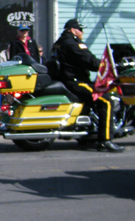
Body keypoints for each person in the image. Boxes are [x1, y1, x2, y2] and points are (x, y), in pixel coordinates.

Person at [51, 19, 122, 153]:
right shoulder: (73, 44)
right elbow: (89, 61)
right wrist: (108, 65)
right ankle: (105, 140)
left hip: (66, 80)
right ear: (72, 30)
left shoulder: (58, 43)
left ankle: (89, 134)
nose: (82, 32)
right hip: (76, 82)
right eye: (80, 29)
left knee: (96, 100)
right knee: (106, 101)